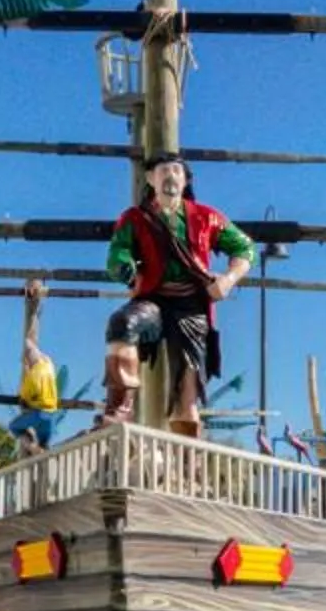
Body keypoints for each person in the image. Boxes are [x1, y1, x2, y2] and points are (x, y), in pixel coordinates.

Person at [99, 153, 255, 438]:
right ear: (150, 178)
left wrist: (229, 279)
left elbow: (245, 249)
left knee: (187, 388)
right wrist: (125, 268)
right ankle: (119, 408)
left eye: (176, 171)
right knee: (122, 323)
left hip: (192, 305)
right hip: (153, 299)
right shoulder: (134, 218)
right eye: (163, 171)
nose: (170, 176)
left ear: (186, 179)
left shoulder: (207, 217)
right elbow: (117, 253)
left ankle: (188, 459)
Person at [13, 278, 62, 450]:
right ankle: (41, 452)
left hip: (39, 414)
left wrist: (33, 305)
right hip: (52, 415)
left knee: (15, 427)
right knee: (46, 444)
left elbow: (24, 400)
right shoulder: (48, 364)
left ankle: (32, 448)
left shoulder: (32, 378)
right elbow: (32, 346)